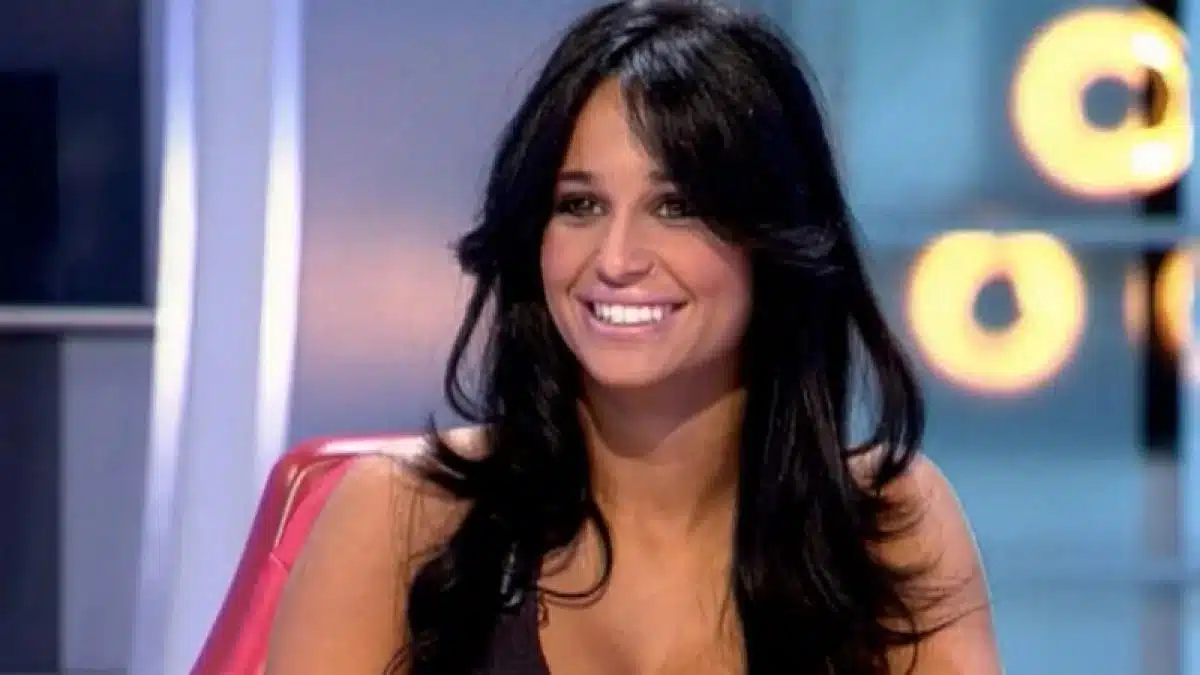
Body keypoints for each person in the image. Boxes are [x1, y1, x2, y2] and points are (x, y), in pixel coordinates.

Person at [265, 1, 1001, 673]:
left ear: (773, 240)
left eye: (675, 206)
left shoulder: (886, 527)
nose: (615, 260)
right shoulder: (397, 521)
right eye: (580, 205)